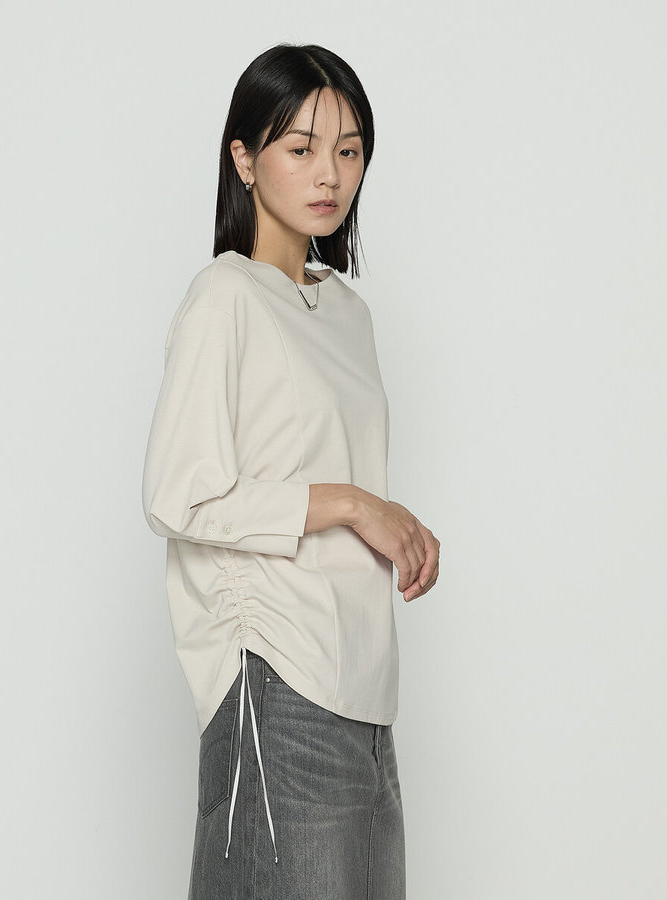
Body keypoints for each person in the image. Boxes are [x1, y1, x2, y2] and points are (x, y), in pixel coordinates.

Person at [141, 42, 440, 900]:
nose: (330, 174)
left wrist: (389, 520)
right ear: (245, 159)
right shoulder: (224, 297)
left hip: (367, 694)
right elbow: (177, 494)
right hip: (276, 679)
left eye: (349, 150)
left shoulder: (347, 311)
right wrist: (351, 504)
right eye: (301, 147)